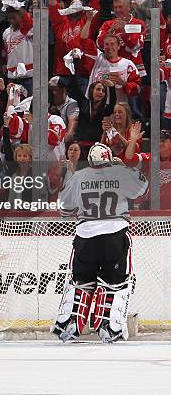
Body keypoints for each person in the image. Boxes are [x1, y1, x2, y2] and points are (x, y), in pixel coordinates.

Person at [52, 142, 148, 343]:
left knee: (81, 283)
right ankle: (109, 328)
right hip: (115, 234)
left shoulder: (79, 176)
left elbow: (65, 209)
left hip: (85, 236)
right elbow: (143, 187)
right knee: (115, 284)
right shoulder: (119, 173)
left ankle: (70, 325)